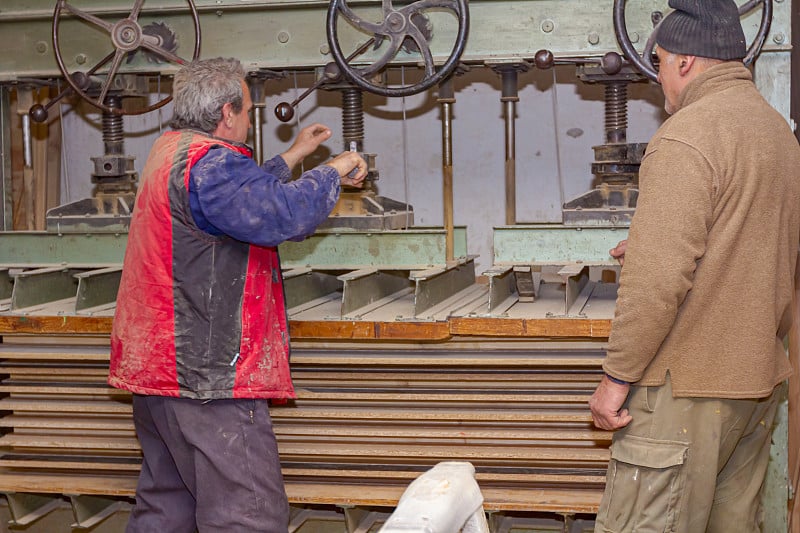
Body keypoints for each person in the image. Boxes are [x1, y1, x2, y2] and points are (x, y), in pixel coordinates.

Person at [108, 57, 367, 532]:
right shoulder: (213, 166)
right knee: (246, 515)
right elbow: (281, 215)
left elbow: (237, 198)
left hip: (158, 372)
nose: (251, 117)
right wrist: (333, 169)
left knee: (167, 507)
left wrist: (295, 156)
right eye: (249, 109)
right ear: (228, 113)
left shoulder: (173, 151)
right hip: (207, 378)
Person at [589, 1, 800, 531]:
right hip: (754, 385)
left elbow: (657, 283)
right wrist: (654, 241)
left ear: (684, 62)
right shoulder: (777, 133)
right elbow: (754, 242)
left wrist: (616, 379)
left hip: (685, 394)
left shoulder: (688, 135)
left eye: (658, 61)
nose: (657, 77)